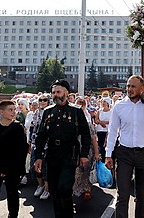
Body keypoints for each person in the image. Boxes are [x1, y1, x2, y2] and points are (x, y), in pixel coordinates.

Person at [105, 75, 144, 218]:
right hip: (125, 153)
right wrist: (108, 154)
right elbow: (112, 131)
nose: (129, 89)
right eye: (128, 86)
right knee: (123, 194)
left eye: (133, 87)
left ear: (142, 89)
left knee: (142, 195)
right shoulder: (119, 106)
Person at [34, 80, 91, 218]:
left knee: (64, 188)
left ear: (67, 93)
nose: (55, 95)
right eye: (53, 93)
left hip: (69, 153)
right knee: (53, 189)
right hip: (52, 153)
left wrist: (84, 154)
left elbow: (85, 134)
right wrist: (38, 157)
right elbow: (41, 135)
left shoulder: (76, 111)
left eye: (58, 92)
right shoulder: (48, 112)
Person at [0, 100, 28, 218]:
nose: (13, 112)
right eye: (10, 110)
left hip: (12, 167)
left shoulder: (18, 127)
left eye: (14, 109)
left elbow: (21, 150)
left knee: (12, 194)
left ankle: (13, 215)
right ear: (1, 112)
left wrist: (11, 169)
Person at [72, 98, 99, 201]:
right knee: (76, 172)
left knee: (86, 171)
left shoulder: (87, 122)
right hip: (74, 151)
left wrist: (96, 153)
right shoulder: (71, 122)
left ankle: (88, 189)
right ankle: (76, 191)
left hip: (87, 151)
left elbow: (93, 138)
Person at [29, 94, 51, 200]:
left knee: (46, 167)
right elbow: (32, 128)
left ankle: (47, 189)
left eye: (44, 100)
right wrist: (30, 143)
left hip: (48, 144)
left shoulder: (51, 112)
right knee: (35, 166)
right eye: (40, 100)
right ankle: (40, 185)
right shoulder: (36, 113)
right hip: (35, 143)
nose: (42, 102)